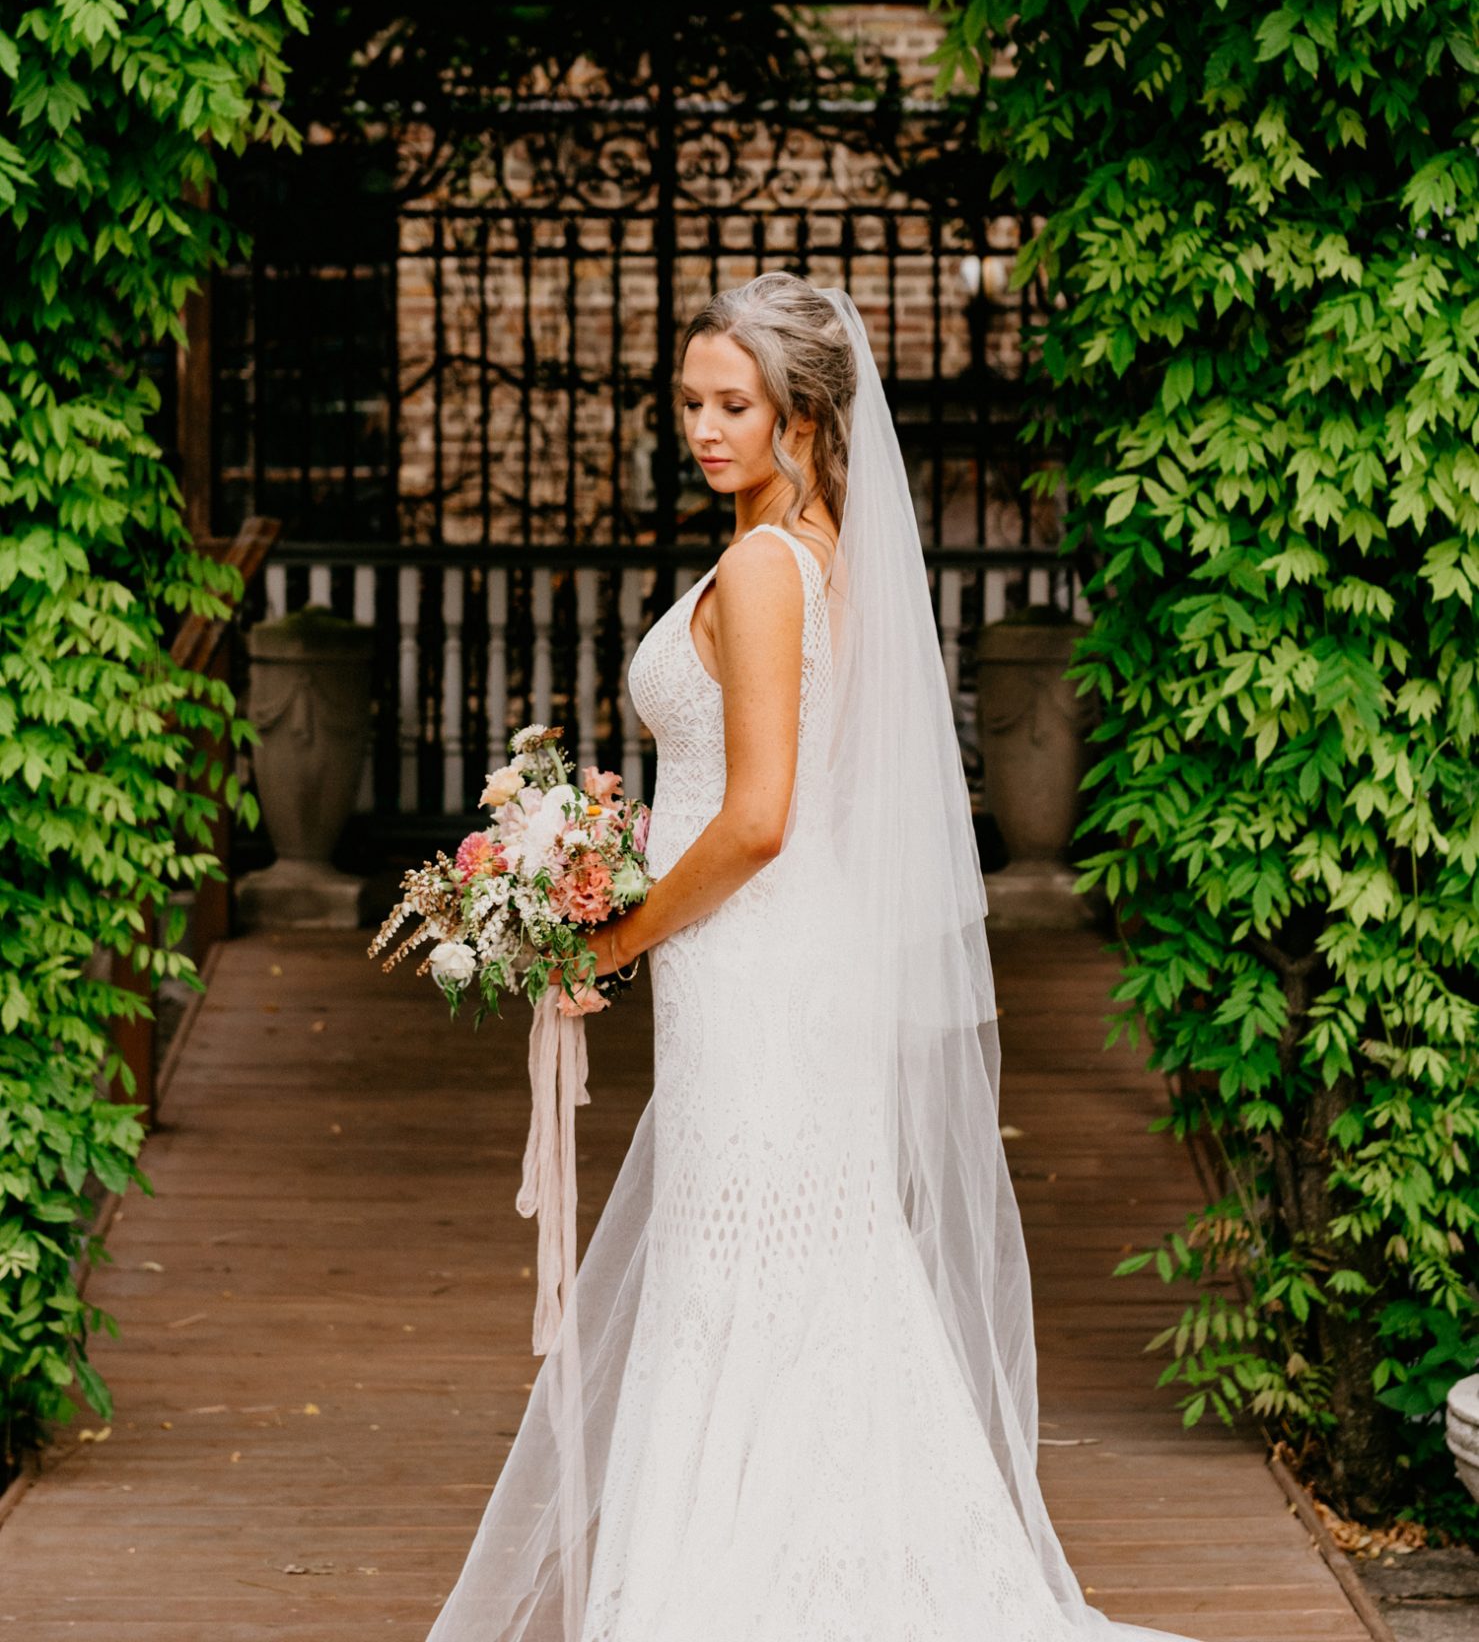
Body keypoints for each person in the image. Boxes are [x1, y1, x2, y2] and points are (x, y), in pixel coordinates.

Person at [425, 273, 1197, 1642]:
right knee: (793, 1253)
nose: (704, 428)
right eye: (689, 402)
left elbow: (765, 817)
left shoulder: (768, 568)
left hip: (759, 966)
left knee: (751, 1255)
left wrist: (612, 929)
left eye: (735, 405)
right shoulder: (819, 546)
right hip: (784, 964)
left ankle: (740, 1589)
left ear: (803, 413)